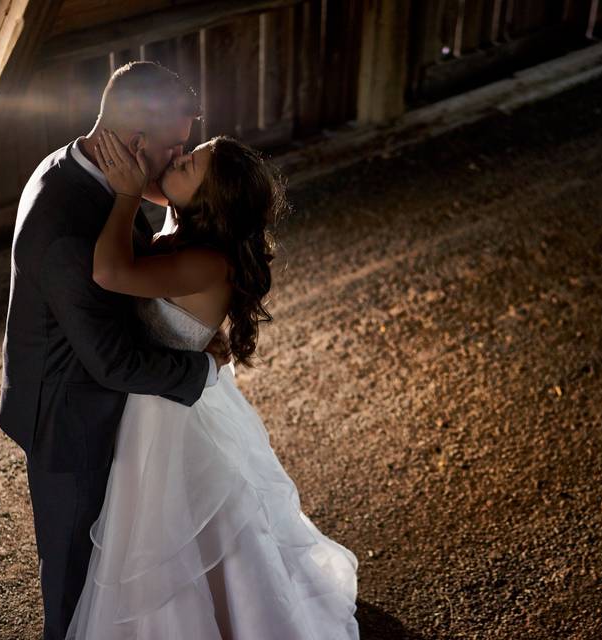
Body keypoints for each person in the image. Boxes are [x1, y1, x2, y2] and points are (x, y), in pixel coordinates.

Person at [61, 118, 359, 634]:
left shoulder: (204, 260)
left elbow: (110, 273)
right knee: (185, 531)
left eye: (185, 163)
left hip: (167, 417)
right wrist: (147, 170)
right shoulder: (181, 232)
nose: (173, 158)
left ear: (209, 200)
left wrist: (129, 195)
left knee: (173, 530)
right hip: (160, 394)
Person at [0, 61, 230, 640]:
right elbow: (114, 362)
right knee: (76, 578)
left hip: (91, 396)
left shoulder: (77, 167)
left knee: (120, 560)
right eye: (175, 147)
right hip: (71, 417)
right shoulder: (69, 224)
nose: (180, 159)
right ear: (135, 143)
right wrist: (202, 367)